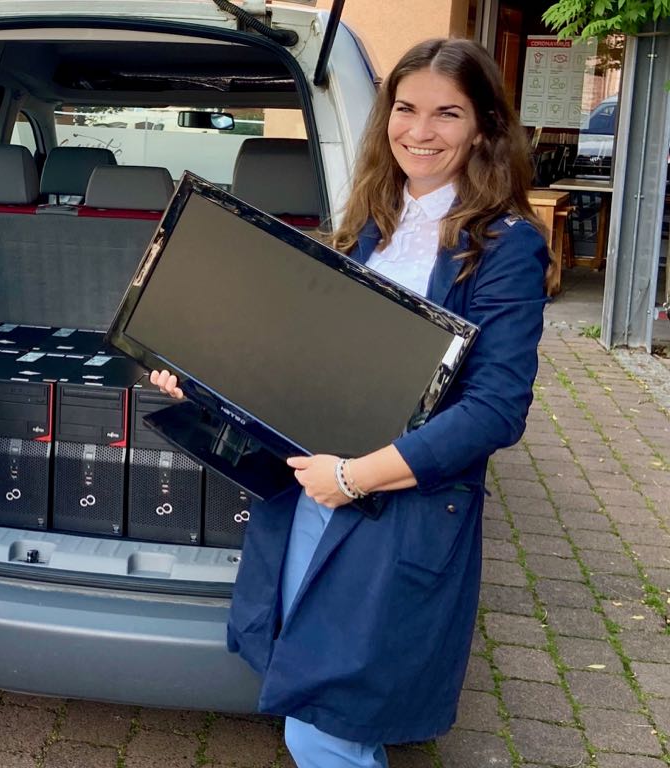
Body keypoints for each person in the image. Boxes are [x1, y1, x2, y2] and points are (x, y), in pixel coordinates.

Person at [151, 38, 549, 766]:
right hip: (319, 486)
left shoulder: (506, 245)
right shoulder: (372, 218)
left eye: (447, 114)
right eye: (405, 109)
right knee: (307, 682)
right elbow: (307, 361)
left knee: (327, 720)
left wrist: (356, 477)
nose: (419, 132)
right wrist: (198, 373)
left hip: (394, 501)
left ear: (486, 127)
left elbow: (496, 410)